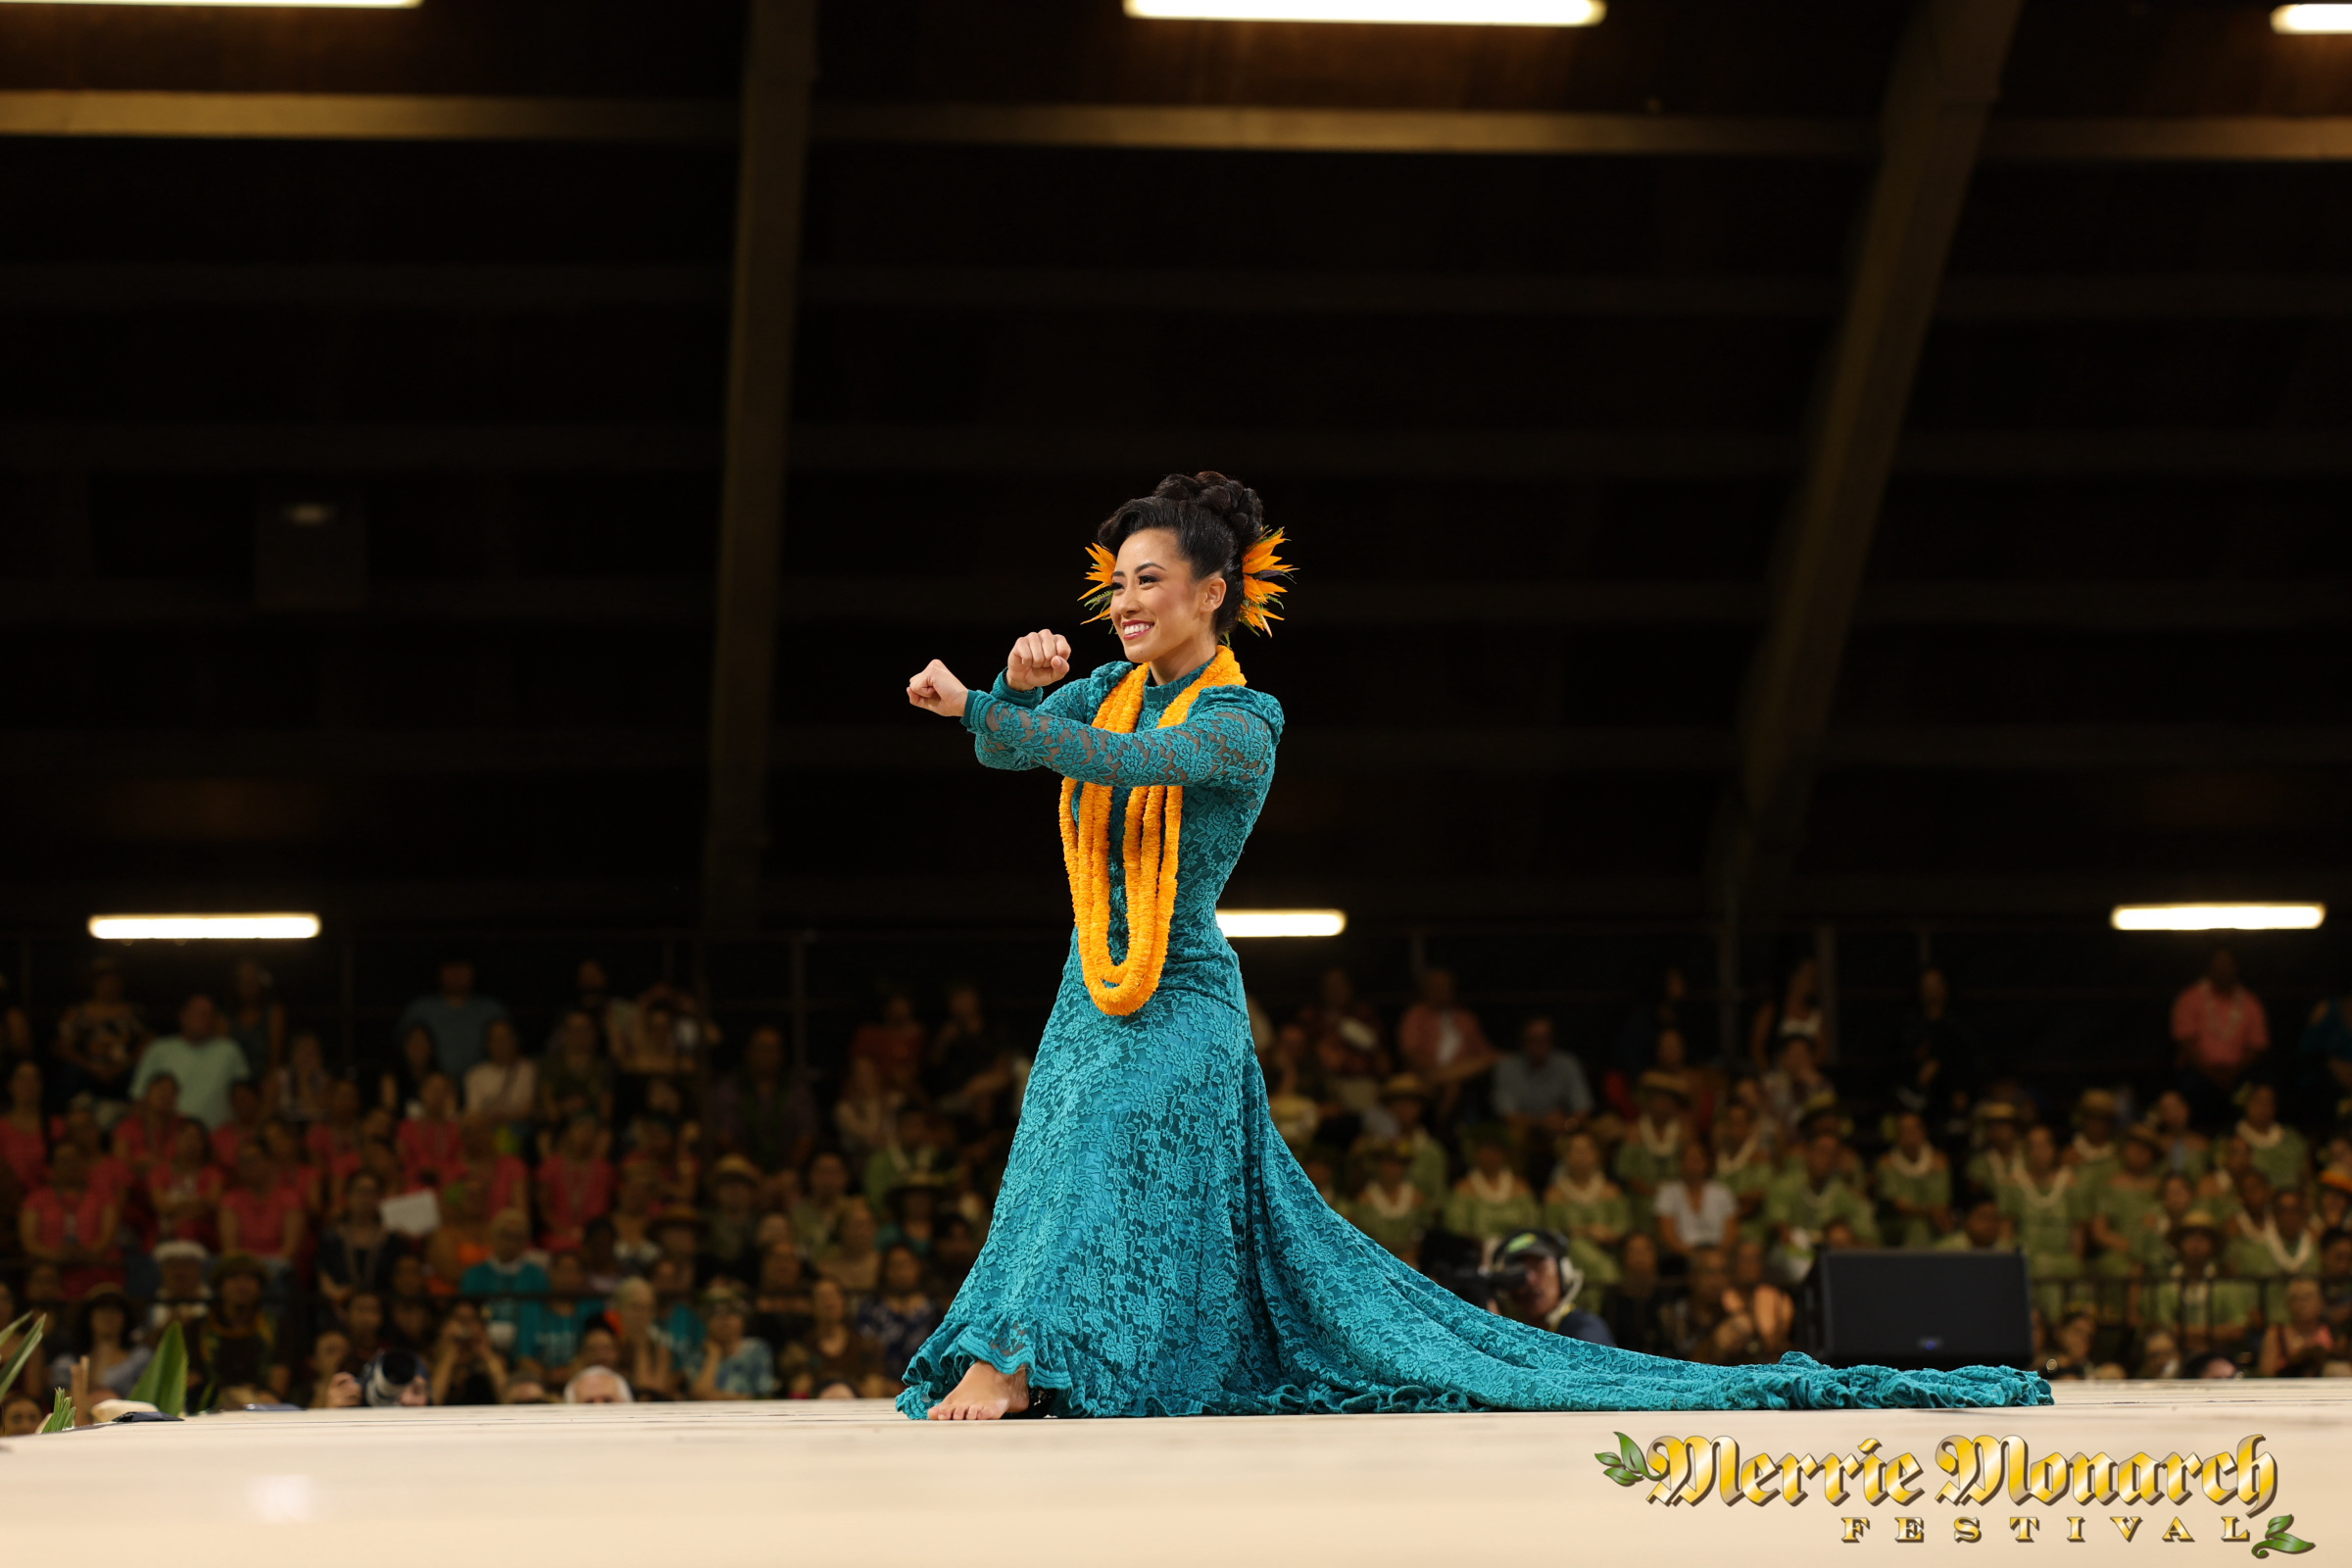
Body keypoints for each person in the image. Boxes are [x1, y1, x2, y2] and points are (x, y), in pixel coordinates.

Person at [895, 472, 2040, 1418]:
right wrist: (1016, 692)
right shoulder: (1105, 688)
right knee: (1051, 1157)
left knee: (1101, 1142)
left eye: (1148, 580)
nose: (1125, 602)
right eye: (1117, 584)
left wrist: (990, 711)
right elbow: (1013, 753)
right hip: (1090, 984)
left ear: (1212, 591)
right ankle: (1082, 1360)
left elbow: (1134, 764)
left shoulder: (1244, 722)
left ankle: (1016, 1360)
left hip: (1185, 994)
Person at [2173, 948, 2269, 1126]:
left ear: (2236, 967)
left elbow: (2257, 1046)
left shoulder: (2250, 1002)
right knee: (2191, 1086)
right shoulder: (2190, 998)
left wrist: (2232, 1073)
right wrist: (2212, 1074)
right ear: (2209, 967)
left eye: (2227, 965)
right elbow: (2185, 1041)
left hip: (2239, 1072)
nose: (2223, 969)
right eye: (2219, 965)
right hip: (2199, 1070)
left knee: (2257, 1087)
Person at [706, 1024, 817, 1176]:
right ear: (749, 1052)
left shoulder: (795, 1088)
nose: (768, 1055)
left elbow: (806, 1134)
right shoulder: (731, 1088)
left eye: (774, 1049)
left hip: (789, 1173)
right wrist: (752, 1171)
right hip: (742, 1171)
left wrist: (788, 1170)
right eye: (763, 1048)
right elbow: (724, 1137)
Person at [131, 995, 249, 1133]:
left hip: (218, 1135)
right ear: (183, 1016)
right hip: (168, 1137)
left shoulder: (229, 1051)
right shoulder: (159, 1049)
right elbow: (139, 1097)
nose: (204, 1018)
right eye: (198, 1013)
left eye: (208, 1014)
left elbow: (245, 1098)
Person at [1396, 967, 1496, 1126]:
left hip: (1463, 1076)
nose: (1442, 990)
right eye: (1436, 986)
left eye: (1446, 986)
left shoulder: (1465, 1018)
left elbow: (1485, 1053)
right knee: (1450, 1084)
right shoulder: (1416, 1015)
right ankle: (1440, 1128)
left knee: (1483, 1067)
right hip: (1425, 1076)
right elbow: (1411, 1052)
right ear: (1426, 989)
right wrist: (1442, 1072)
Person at [50, 956, 148, 1108]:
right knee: (71, 1074)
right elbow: (63, 1046)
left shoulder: (134, 1012)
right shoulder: (77, 1013)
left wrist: (120, 1067)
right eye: (104, 981)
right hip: (87, 1068)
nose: (109, 986)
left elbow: (147, 1044)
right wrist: (91, 1067)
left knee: (140, 1074)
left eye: (113, 981)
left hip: (123, 1069)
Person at [393, 956, 509, 1081]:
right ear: (440, 972)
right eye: (451, 968)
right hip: (429, 1085)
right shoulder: (420, 1010)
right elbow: (398, 1051)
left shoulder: (491, 1010)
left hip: (486, 1084)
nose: (456, 974)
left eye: (461, 967)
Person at [1891, 967, 1974, 1134]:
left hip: (1950, 1096)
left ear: (1945, 988)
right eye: (1927, 987)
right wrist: (1920, 1077)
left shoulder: (1957, 1024)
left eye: (1936, 986)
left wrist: (1960, 1088)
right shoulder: (1909, 1025)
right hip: (1916, 1095)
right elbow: (1901, 1063)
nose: (1932, 992)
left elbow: (1966, 1062)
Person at [778, 1275, 885, 1399]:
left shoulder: (865, 1345)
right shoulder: (801, 1348)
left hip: (855, 1404)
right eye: (822, 1297)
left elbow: (874, 1381)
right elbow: (796, 1386)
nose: (830, 1302)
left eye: (834, 1296)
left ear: (843, 1302)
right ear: (811, 1305)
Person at [1489, 1016, 1592, 1145]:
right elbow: (1507, 1114)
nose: (1539, 1045)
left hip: (1565, 1129)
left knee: (1599, 1129)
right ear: (1522, 1041)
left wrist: (1567, 1123)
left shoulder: (1567, 1063)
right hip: (1527, 1130)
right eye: (1534, 1040)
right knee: (1512, 1135)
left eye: (1544, 1039)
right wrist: (1541, 1123)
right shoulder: (1506, 1067)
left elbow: (1583, 1108)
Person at [315, 1169, 411, 1307]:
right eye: (360, 1191)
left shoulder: (392, 1238)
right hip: (340, 1304)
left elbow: (401, 1278)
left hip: (383, 1307)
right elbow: (323, 1275)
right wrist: (338, 1296)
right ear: (348, 1195)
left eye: (371, 1193)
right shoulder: (331, 1237)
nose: (365, 1198)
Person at [1874, 1110, 1954, 1249]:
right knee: (1918, 1225)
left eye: (1914, 1128)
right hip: (1896, 1225)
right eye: (1904, 1129)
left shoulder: (1939, 1161)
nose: (1910, 1134)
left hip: (1935, 1223)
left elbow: (1941, 1205)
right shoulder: (1886, 1163)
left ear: (1923, 1132)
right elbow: (1899, 1207)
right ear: (1897, 1134)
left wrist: (1919, 1209)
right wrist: (1929, 1211)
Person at [1653, 1139, 1740, 1265]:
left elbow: (1731, 1234)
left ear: (1706, 1163)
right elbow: (1667, 1236)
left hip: (1718, 1254)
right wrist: (1695, 1256)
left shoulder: (1722, 1193)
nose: (1693, 1165)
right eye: (1689, 1160)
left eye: (1697, 1160)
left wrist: (1714, 1256)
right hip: (1682, 1257)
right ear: (1680, 1162)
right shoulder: (1667, 1193)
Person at [692, 1290, 779, 1399]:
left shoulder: (757, 1349)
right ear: (705, 1321)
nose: (724, 1318)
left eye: (732, 1312)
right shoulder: (697, 1353)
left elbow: (762, 1396)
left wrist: (716, 1396)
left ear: (743, 1319)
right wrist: (713, 1355)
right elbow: (699, 1395)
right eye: (715, 1313)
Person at [463, 1018, 538, 1132]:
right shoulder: (475, 1075)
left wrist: (508, 1117)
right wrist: (491, 1119)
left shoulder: (528, 1069)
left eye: (505, 1038)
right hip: (487, 1132)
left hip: (522, 1131)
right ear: (488, 1044)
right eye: (496, 1039)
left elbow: (531, 1108)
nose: (502, 1044)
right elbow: (473, 1113)